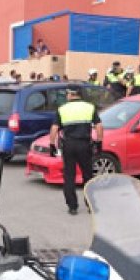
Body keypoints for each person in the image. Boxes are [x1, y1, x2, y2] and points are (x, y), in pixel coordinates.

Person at [49, 86, 102, 215]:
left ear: (71, 94)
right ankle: (91, 204)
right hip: (84, 145)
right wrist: (99, 142)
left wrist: (52, 144)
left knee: (69, 176)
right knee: (88, 175)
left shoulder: (62, 109)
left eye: (66, 94)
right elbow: (99, 126)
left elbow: (54, 128)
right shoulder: (90, 107)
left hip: (69, 145)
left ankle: (72, 207)